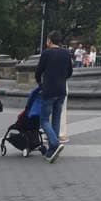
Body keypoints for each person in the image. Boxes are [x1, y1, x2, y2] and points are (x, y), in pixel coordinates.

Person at [35, 30, 73, 163]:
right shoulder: (66, 53)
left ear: (50, 41)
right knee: (56, 118)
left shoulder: (46, 53)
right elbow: (69, 72)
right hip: (61, 90)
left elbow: (38, 71)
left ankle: (55, 143)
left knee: (44, 120)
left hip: (49, 90)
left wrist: (40, 84)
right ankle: (52, 149)